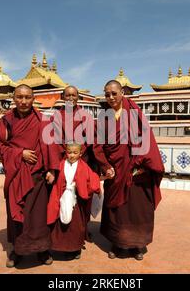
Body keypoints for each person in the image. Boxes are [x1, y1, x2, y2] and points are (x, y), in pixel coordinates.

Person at [93, 80, 164, 261]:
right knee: (116, 209)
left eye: (114, 93)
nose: (110, 97)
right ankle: (117, 243)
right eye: (107, 94)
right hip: (115, 171)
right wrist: (105, 166)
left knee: (137, 208)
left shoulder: (133, 112)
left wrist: (141, 165)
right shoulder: (104, 117)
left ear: (122, 92)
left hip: (136, 170)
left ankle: (138, 244)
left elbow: (145, 138)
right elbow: (98, 146)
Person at [0, 84, 60, 268]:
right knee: (18, 216)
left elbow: (52, 146)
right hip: (17, 177)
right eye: (19, 97)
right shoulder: (6, 120)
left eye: (27, 97)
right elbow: (0, 146)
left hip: (38, 177)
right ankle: (18, 250)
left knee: (39, 217)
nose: (23, 101)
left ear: (33, 99)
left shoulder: (43, 120)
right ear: (13, 98)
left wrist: (52, 170)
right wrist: (20, 153)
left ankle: (42, 249)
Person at [50, 85, 98, 242]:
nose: (71, 98)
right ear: (63, 97)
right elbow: (54, 140)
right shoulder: (57, 116)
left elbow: (91, 139)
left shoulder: (86, 116)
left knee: (83, 197)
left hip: (82, 161)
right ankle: (64, 232)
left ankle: (83, 230)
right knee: (63, 195)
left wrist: (78, 153)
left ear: (78, 97)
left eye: (74, 95)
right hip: (63, 161)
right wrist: (66, 154)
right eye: (67, 95)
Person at [47, 143, 101, 260]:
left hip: (77, 200)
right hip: (61, 198)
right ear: (66, 152)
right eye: (69, 152)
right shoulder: (61, 164)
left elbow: (92, 180)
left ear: (80, 154)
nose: (71, 155)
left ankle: (75, 248)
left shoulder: (84, 166)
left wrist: (83, 187)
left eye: (75, 153)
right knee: (59, 223)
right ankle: (59, 247)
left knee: (76, 226)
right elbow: (56, 180)